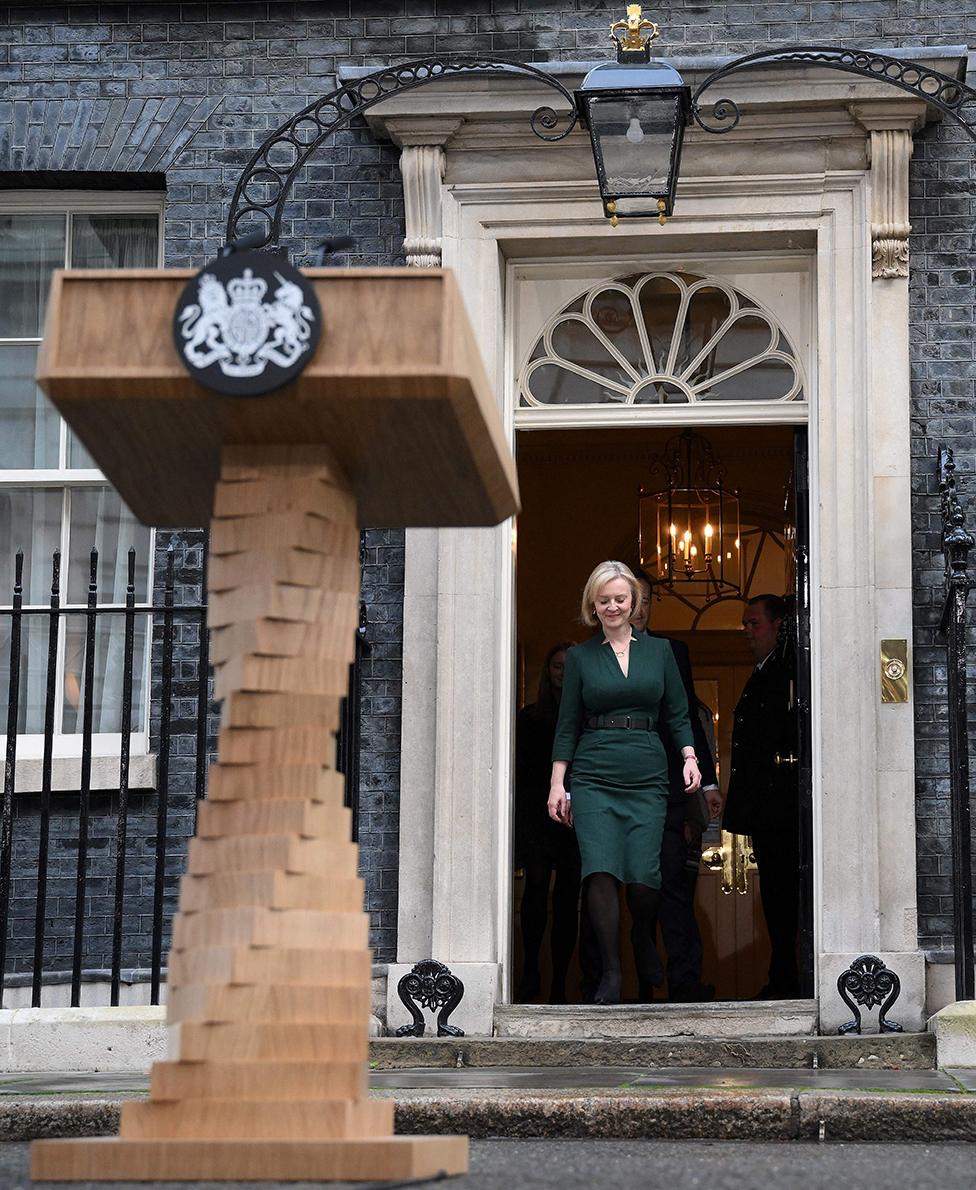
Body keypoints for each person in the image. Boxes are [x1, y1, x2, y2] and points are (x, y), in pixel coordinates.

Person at [548, 560, 700, 1005]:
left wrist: (690, 758)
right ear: (592, 606)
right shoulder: (580, 657)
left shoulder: (661, 653)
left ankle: (640, 935)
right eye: (604, 600)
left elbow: (677, 712)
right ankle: (612, 972)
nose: (613, 606)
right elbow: (567, 724)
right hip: (594, 773)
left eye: (620, 598)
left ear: (634, 602)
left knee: (644, 879)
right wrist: (560, 784)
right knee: (599, 869)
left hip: (647, 772)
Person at [632, 571, 722, 1003]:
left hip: (667, 791)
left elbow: (685, 721)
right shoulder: (588, 657)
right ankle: (610, 984)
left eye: (647, 599)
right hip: (612, 789)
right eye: (635, 598)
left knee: (672, 887)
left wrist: (706, 783)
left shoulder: (672, 652)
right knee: (614, 888)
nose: (641, 607)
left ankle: (684, 981)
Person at [723, 593, 800, 999]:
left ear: (776, 625)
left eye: (754, 623)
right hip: (766, 806)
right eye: (745, 624)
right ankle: (783, 973)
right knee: (775, 892)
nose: (747, 632)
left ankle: (786, 975)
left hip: (780, 806)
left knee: (782, 893)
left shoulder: (786, 672)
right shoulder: (765, 671)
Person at [514, 641, 581, 1003]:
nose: (563, 674)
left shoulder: (586, 718)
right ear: (548, 671)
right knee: (536, 893)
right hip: (538, 820)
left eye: (569, 667)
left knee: (568, 899)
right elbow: (521, 778)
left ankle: (559, 981)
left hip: (575, 820)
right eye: (557, 667)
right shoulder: (528, 719)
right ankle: (530, 973)